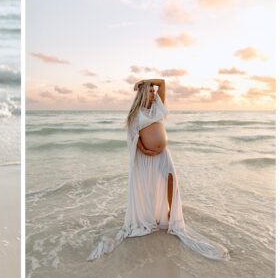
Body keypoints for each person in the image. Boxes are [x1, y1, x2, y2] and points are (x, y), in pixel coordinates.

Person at [88, 79, 228, 261]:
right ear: (142, 94)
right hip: (147, 157)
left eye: (154, 92)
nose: (154, 94)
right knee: (149, 186)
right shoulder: (136, 114)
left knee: (171, 179)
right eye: (150, 92)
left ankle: (170, 214)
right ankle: (151, 217)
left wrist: (145, 82)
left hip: (163, 155)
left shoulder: (157, 109)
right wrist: (145, 150)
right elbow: (133, 135)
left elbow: (162, 82)